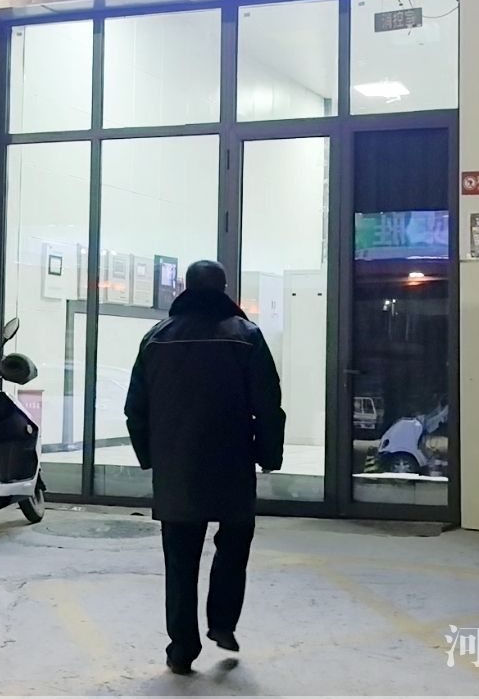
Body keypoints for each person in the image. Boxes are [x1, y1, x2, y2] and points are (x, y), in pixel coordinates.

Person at [124, 259, 285, 675]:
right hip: (232, 463)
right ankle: (223, 623)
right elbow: (268, 404)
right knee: (234, 544)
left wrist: (151, 457)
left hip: (176, 468)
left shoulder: (155, 338)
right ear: (224, 288)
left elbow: (134, 409)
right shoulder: (247, 336)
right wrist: (269, 455)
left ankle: (181, 648)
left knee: (180, 561)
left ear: (186, 288)